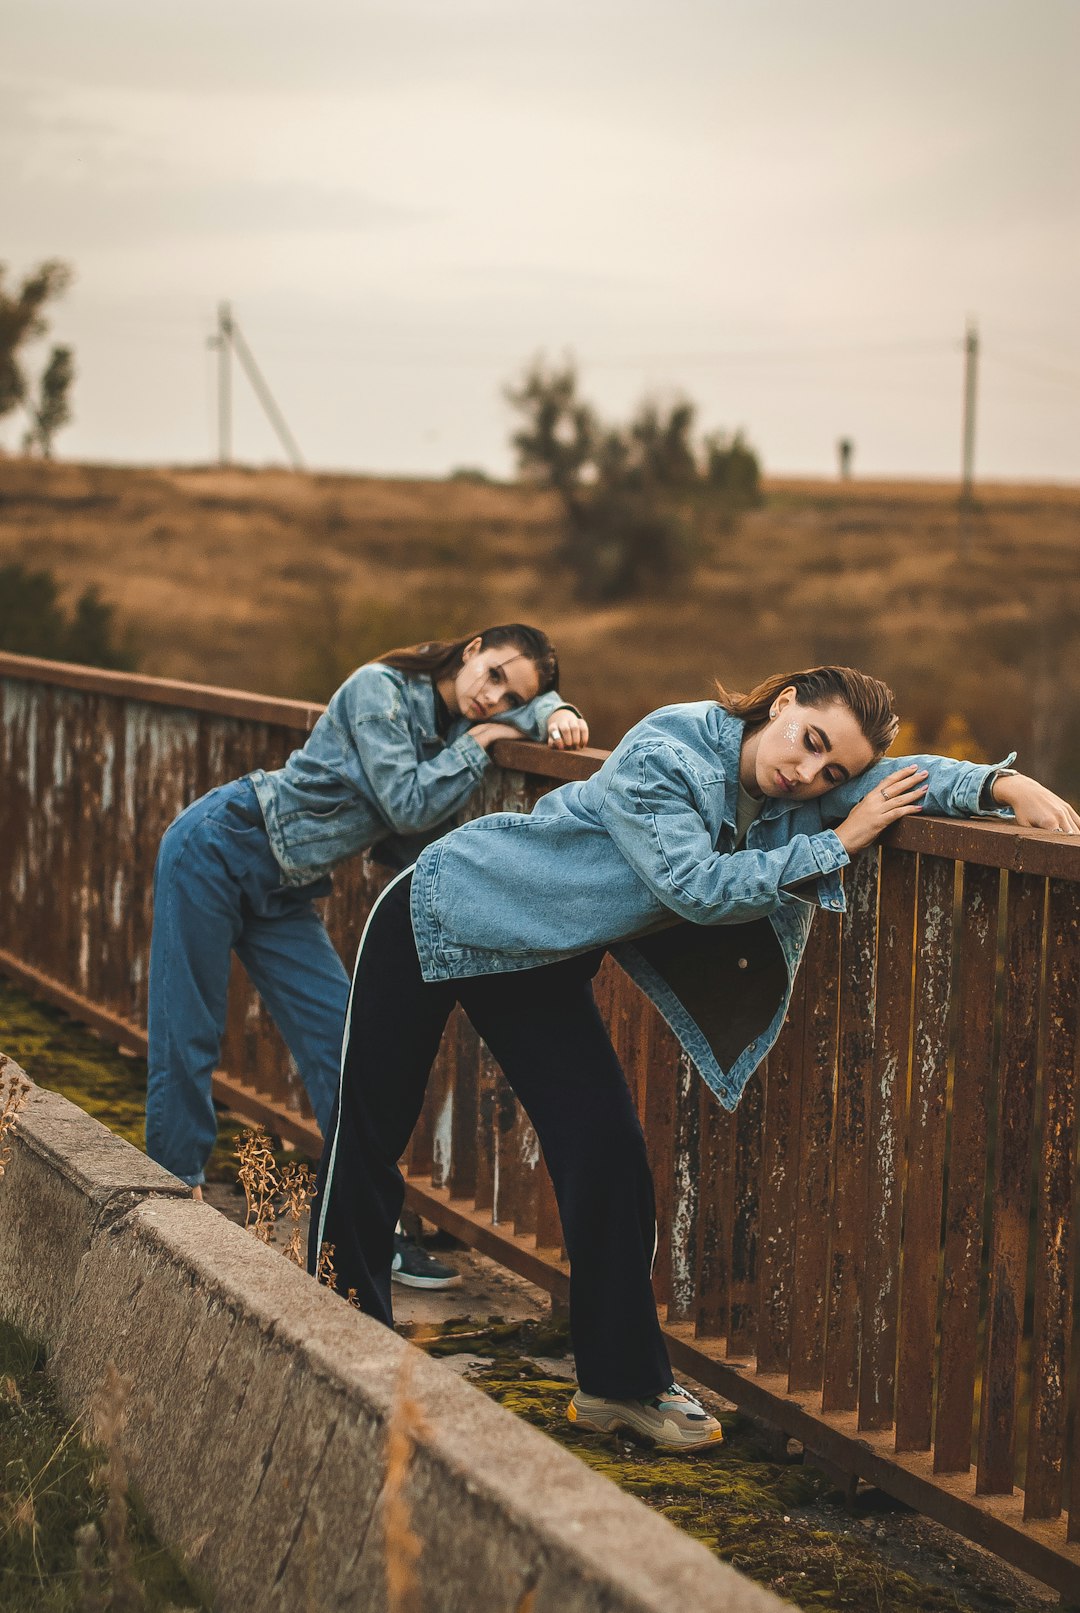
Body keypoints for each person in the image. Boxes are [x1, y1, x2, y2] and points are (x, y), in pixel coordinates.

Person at [309, 665, 1079, 1445]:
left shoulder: (794, 787)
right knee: (371, 1124)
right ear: (782, 703)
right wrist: (838, 842)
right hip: (443, 908)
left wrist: (999, 790)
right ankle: (338, 1324)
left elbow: (894, 782)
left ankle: (620, 1387)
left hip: (533, 957)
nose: (809, 774)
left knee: (606, 1154)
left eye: (831, 772)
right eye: (809, 742)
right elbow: (696, 885)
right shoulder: (668, 749)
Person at [145, 622, 589, 1275]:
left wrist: (558, 710)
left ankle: (362, 1230)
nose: (492, 699)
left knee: (346, 1055)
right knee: (190, 1031)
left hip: (284, 888)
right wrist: (487, 742)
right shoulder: (378, 689)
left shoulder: (460, 720)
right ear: (471, 650)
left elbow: (525, 710)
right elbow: (409, 805)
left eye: (509, 696)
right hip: (219, 845)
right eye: (493, 674)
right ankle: (169, 1199)